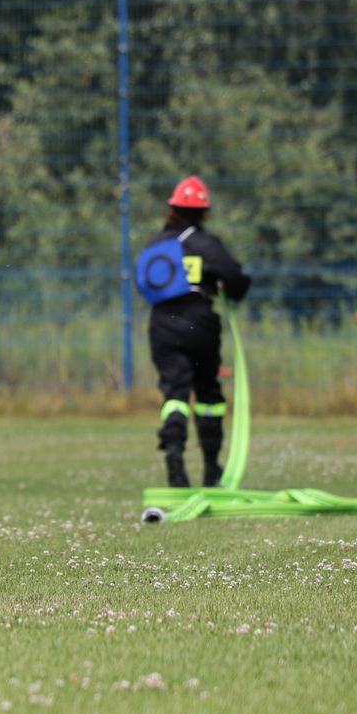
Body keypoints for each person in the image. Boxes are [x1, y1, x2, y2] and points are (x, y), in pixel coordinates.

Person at [134, 175, 251, 489]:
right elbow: (237, 280)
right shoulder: (205, 243)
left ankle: (174, 457)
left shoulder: (155, 244)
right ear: (203, 212)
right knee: (208, 393)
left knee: (174, 393)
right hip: (199, 322)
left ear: (172, 208)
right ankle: (212, 469)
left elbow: (142, 283)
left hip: (161, 322)